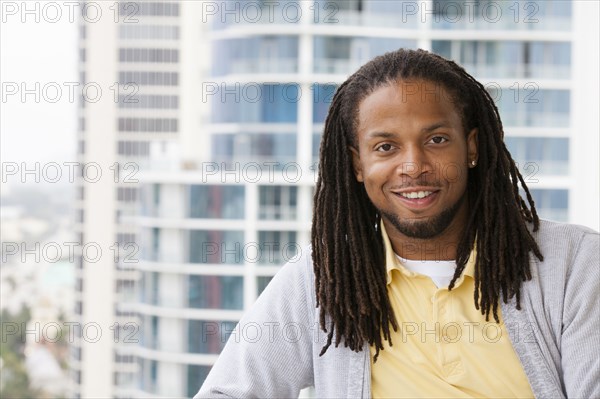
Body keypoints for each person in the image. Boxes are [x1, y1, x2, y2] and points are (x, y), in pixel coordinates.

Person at [195, 48, 599, 398]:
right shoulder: (322, 279)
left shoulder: (574, 265)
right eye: (386, 147)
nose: (413, 166)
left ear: (471, 147)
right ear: (358, 163)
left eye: (436, 139)